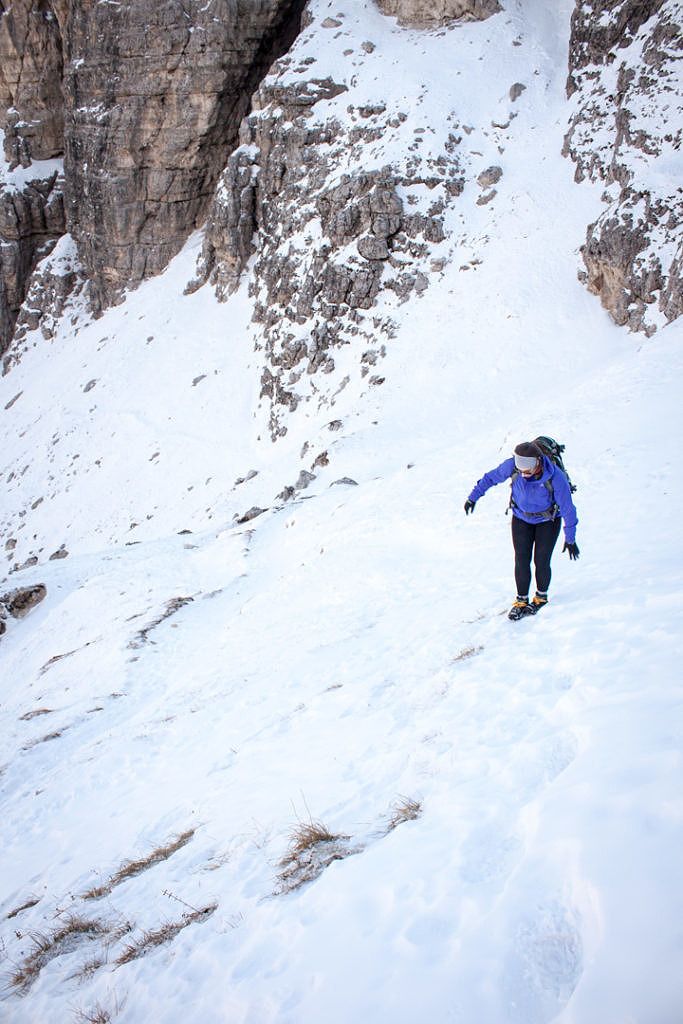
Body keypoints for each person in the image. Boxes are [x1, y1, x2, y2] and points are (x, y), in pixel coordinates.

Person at [464, 441, 579, 620]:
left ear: (538, 462)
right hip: (521, 518)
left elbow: (568, 508)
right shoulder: (513, 467)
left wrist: (570, 539)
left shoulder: (556, 477)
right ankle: (521, 601)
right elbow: (490, 478)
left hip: (547, 521)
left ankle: (541, 597)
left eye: (528, 468)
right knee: (521, 558)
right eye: (520, 467)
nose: (523, 472)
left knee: (541, 560)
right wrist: (473, 497)